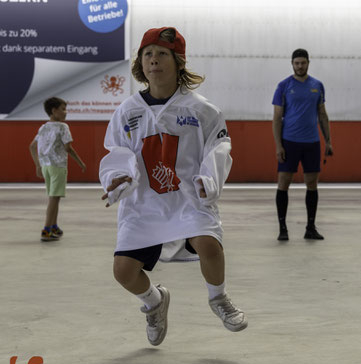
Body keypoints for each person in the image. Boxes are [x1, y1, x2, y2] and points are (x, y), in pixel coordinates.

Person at [99, 27, 248, 346]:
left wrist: (209, 179)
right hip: (143, 202)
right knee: (123, 272)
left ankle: (218, 298)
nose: (154, 59)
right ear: (140, 63)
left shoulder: (202, 110)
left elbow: (219, 148)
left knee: (209, 245)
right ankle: (154, 302)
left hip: (187, 196)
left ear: (178, 61)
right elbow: (117, 151)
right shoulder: (127, 111)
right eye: (147, 54)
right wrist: (117, 178)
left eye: (162, 53)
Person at [272, 48, 334, 241]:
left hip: (312, 143)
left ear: (308, 63)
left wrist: (328, 141)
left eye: (303, 63)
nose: (300, 66)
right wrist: (278, 145)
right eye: (297, 63)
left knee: (312, 184)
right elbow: (276, 118)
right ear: (292, 64)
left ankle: (310, 227)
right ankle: (283, 228)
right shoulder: (284, 86)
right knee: (284, 183)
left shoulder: (317, 85)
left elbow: (322, 115)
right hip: (290, 143)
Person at [29, 97, 86, 242]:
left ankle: (53, 226)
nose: (65, 112)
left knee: (54, 197)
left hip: (46, 166)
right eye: (63, 109)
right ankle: (46, 230)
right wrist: (80, 162)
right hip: (58, 166)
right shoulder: (63, 127)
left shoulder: (43, 127)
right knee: (54, 199)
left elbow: (32, 146)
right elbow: (68, 148)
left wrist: (37, 165)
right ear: (54, 111)